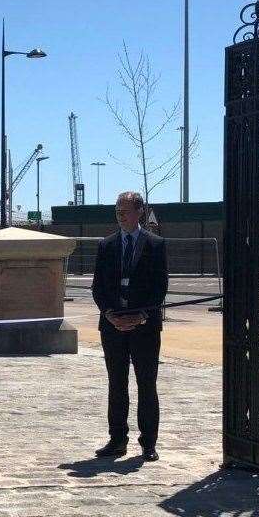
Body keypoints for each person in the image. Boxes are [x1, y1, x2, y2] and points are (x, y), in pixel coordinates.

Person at [91, 191, 168, 461]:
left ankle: (148, 443)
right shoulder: (106, 245)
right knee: (117, 383)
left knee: (147, 384)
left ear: (140, 213)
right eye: (117, 211)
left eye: (125, 211)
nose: (120, 215)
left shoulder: (155, 244)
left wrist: (141, 316)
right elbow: (98, 288)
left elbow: (160, 288)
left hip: (144, 327)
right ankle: (117, 439)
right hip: (113, 327)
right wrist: (110, 314)